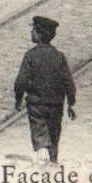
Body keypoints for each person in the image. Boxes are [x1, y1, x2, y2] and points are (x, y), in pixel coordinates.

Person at [13, 15, 76, 163]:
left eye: (33, 30)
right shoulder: (59, 56)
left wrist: (18, 98)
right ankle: (53, 160)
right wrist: (71, 102)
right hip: (55, 103)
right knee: (54, 132)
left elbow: (21, 80)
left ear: (39, 33)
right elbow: (68, 81)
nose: (31, 33)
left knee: (38, 131)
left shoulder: (30, 55)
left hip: (36, 104)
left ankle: (42, 157)